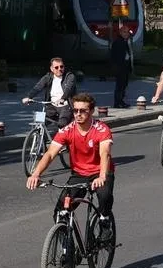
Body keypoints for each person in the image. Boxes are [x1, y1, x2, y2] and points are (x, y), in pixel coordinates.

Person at [26, 92, 115, 221]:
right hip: (79, 174)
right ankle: (65, 237)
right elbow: (50, 154)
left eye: (83, 111)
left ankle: (105, 220)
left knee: (104, 196)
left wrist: (102, 176)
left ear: (91, 111)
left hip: (100, 172)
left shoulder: (101, 129)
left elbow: (104, 153)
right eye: (75, 110)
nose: (78, 114)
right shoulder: (67, 131)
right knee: (60, 212)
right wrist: (36, 174)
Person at [22, 56, 78, 129]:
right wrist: (29, 97)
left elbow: (69, 89)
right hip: (51, 106)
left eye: (61, 66)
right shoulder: (48, 77)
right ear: (51, 69)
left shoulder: (69, 76)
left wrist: (63, 98)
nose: (59, 69)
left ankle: (62, 138)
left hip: (65, 106)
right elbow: (38, 87)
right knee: (38, 122)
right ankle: (40, 138)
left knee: (62, 124)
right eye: (56, 67)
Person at [110, 23, 133, 108]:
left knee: (123, 85)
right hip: (120, 68)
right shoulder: (118, 42)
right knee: (120, 86)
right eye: (125, 32)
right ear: (121, 33)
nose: (127, 34)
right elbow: (116, 56)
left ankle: (121, 101)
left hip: (125, 68)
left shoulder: (125, 41)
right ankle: (117, 102)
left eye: (127, 32)